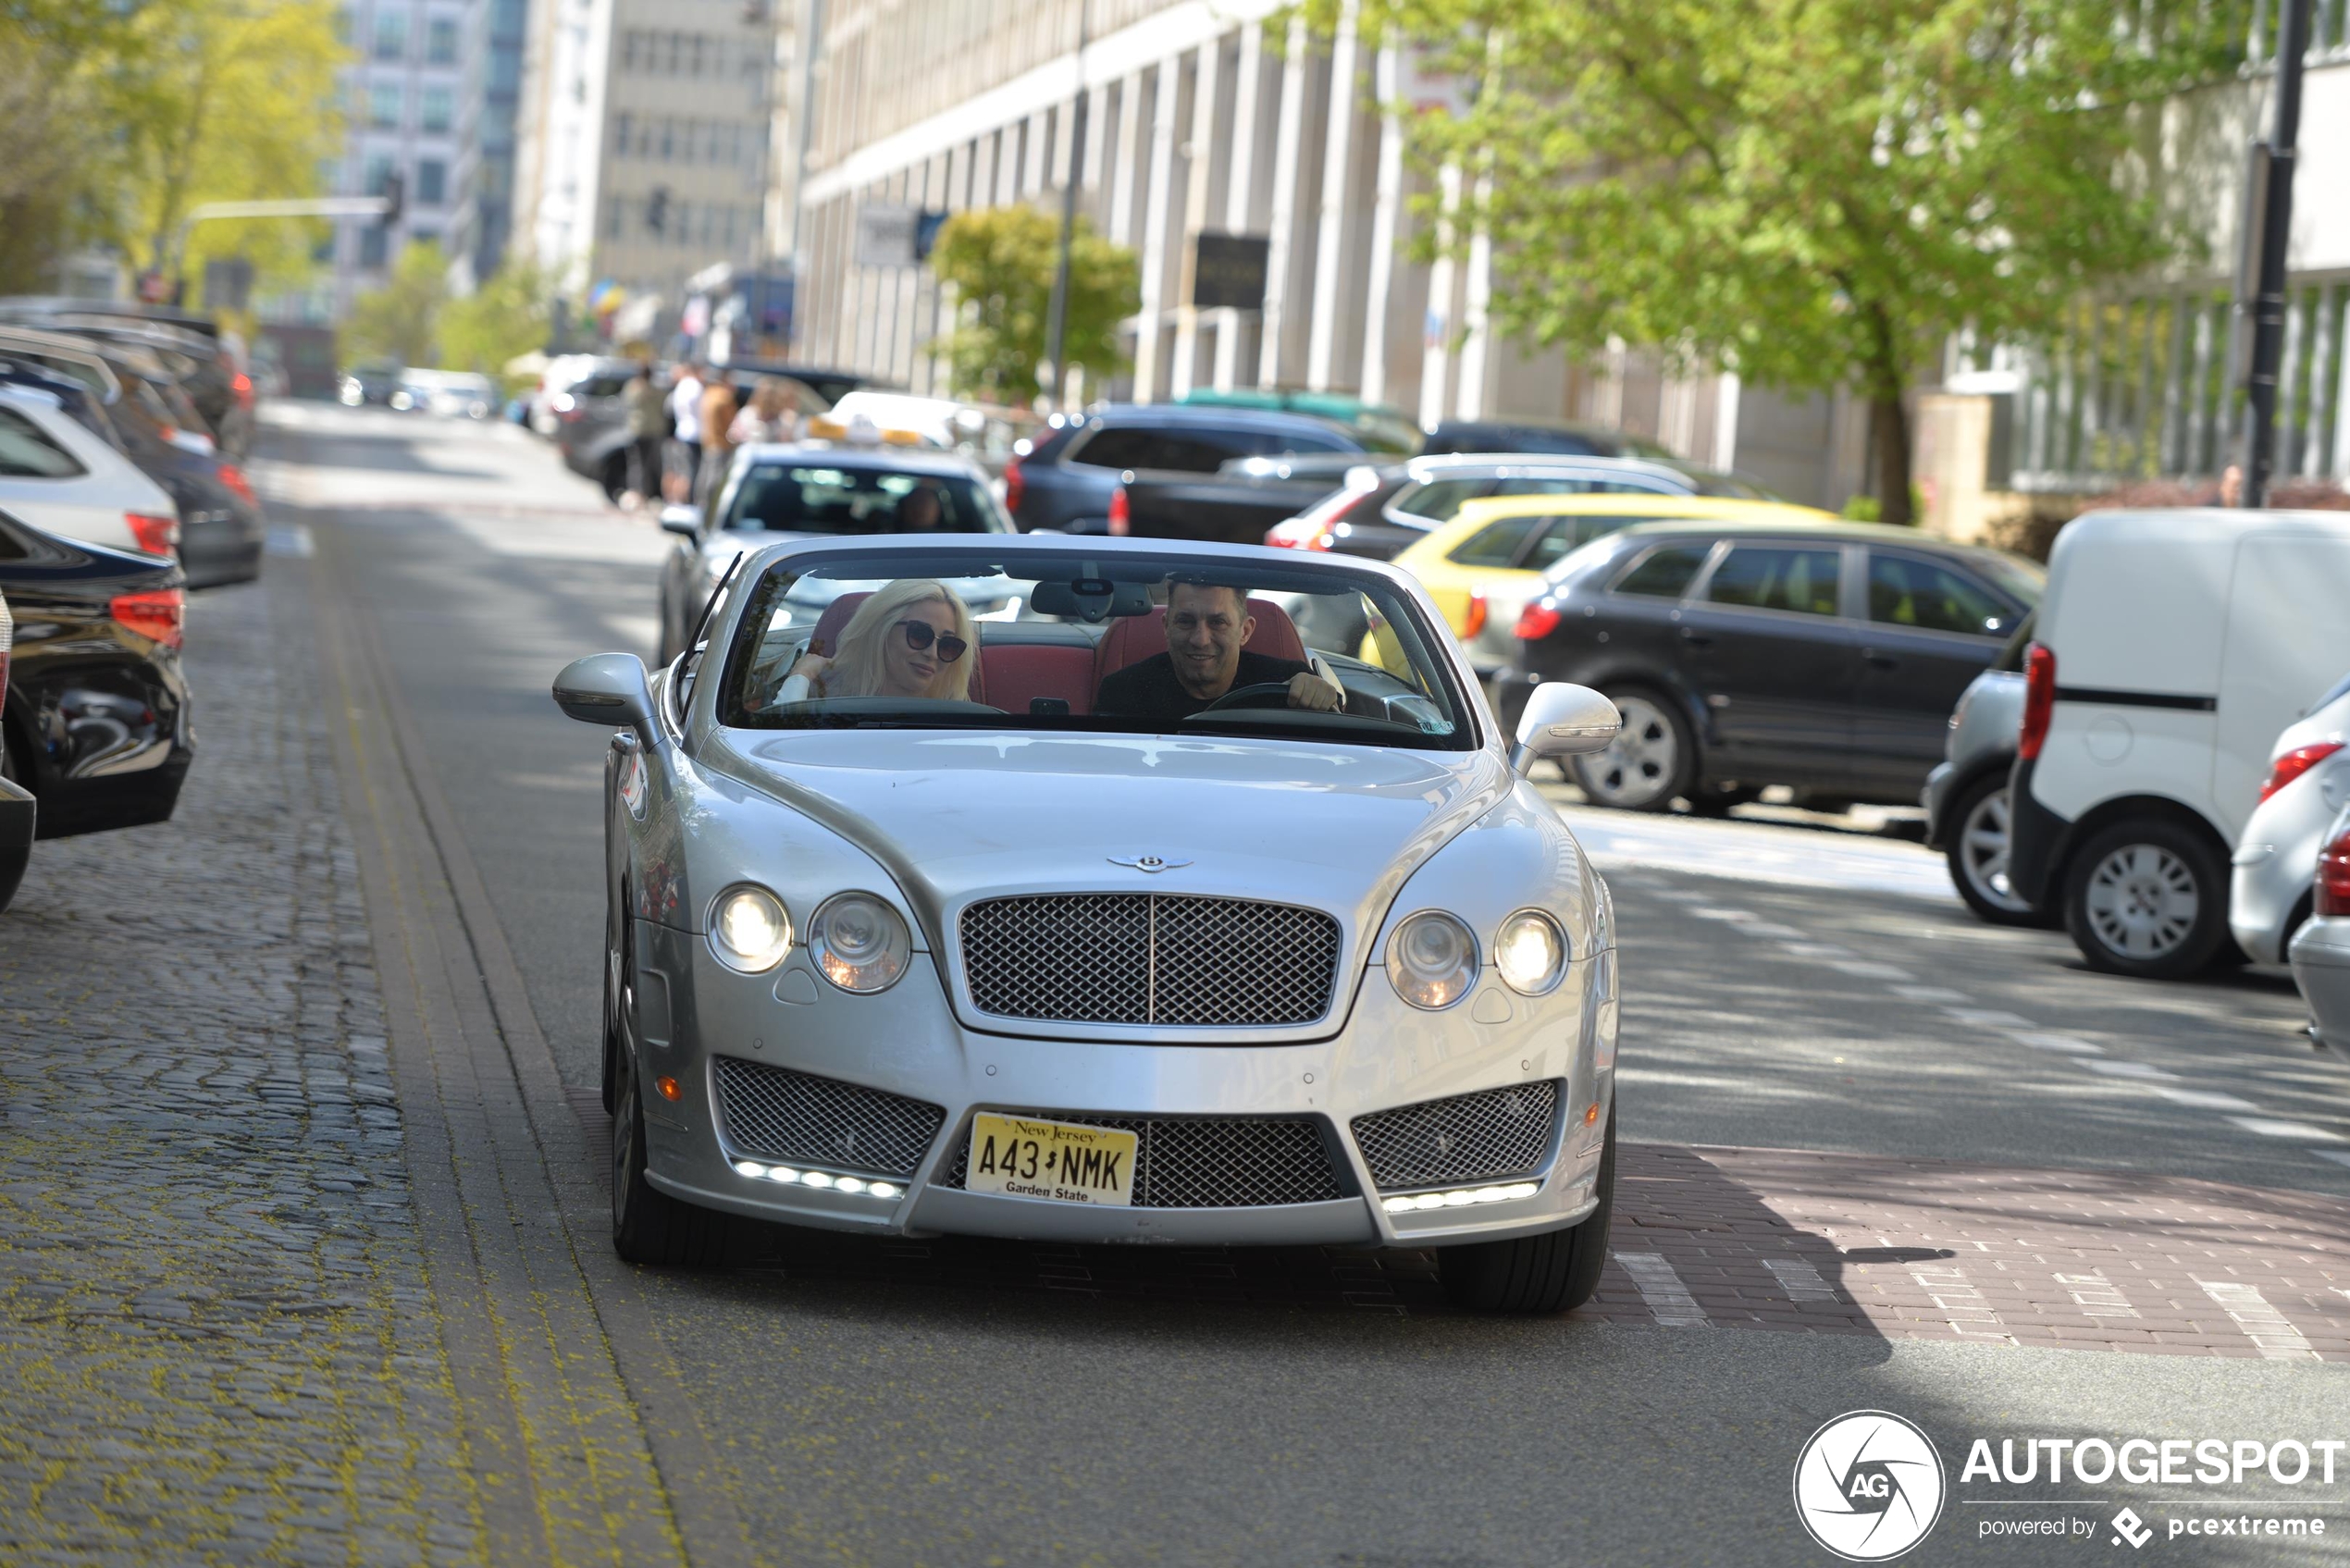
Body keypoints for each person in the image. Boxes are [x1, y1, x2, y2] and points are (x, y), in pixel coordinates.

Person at [1095, 581, 1342, 726]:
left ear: (1245, 631)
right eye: (1185, 621)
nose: (1200, 640)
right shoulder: (1123, 692)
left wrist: (1319, 696)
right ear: (1166, 627)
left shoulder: (1289, 686)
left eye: (1217, 623)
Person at [772, 579, 977, 704]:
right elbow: (776, 744)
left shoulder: (955, 724)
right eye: (920, 635)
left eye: (948, 646)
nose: (932, 653)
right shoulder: (824, 710)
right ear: (882, 631)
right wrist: (801, 675)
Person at [621, 364, 665, 508]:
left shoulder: (640, 387)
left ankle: (643, 493)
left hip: (646, 430)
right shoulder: (642, 388)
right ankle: (638, 493)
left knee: (645, 464)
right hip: (643, 430)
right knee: (640, 464)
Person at [666, 360, 705, 502]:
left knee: (681, 472)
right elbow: (701, 411)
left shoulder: (681, 386)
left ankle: (676, 501)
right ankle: (685, 502)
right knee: (689, 474)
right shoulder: (695, 386)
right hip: (694, 434)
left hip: (682, 432)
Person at [696, 374, 740, 500]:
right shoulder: (724, 397)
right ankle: (710, 505)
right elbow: (731, 423)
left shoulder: (708, 394)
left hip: (707, 441)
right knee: (715, 479)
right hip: (721, 442)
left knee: (704, 476)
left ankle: (701, 503)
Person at [728, 377, 799, 446]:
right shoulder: (746, 415)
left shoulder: (785, 418)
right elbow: (733, 437)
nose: (767, 400)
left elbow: (790, 444)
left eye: (771, 397)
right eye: (764, 396)